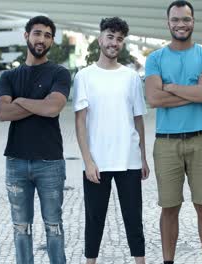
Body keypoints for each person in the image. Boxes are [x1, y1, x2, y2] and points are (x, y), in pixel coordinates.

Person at [145, 1, 202, 263]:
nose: (181, 24)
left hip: (201, 140)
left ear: (193, 21)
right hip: (165, 144)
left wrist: (171, 87)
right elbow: (153, 98)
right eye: (176, 20)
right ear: (168, 23)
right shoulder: (155, 58)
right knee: (169, 208)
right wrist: (193, 92)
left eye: (186, 19)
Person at [73, 17, 149, 264]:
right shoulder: (84, 76)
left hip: (129, 159)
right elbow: (80, 122)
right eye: (110, 37)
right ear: (100, 39)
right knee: (94, 219)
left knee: (133, 219)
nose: (114, 43)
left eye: (119, 39)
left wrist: (143, 157)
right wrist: (88, 161)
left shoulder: (131, 77)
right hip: (97, 161)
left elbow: (138, 120)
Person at [0, 16, 71, 264]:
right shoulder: (8, 76)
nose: (42, 39)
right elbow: (3, 113)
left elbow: (53, 109)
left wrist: (19, 100)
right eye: (37, 33)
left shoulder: (60, 73)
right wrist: (42, 102)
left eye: (48, 35)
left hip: (50, 162)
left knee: (54, 226)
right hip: (16, 162)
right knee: (20, 228)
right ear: (26, 35)